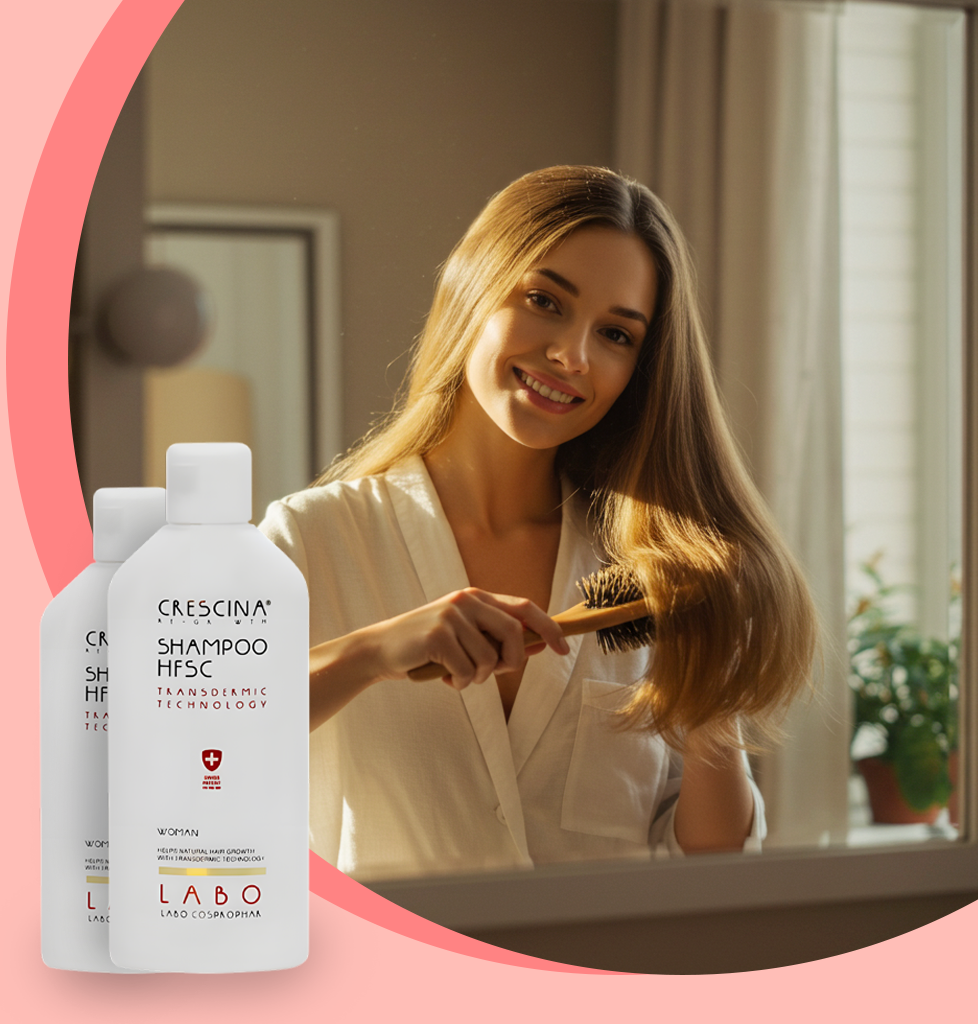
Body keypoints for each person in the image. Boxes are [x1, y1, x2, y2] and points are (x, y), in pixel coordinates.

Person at [260, 165, 817, 882]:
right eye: (544, 301)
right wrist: (373, 652)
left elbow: (712, 865)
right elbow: (196, 750)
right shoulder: (314, 540)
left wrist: (709, 691)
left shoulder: (646, 573)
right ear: (472, 290)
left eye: (616, 334)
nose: (573, 356)